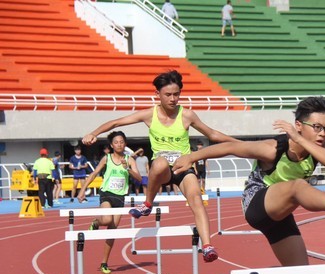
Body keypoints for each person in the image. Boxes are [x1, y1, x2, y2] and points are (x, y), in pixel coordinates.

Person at [171, 96, 325, 274]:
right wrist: (192, 157)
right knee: (297, 187)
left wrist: (302, 140)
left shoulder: (322, 147)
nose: (323, 134)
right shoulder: (273, 148)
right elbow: (233, 147)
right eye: (317, 127)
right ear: (298, 126)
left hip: (281, 211)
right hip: (257, 204)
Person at [81, 70, 238, 262]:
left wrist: (240, 144)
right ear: (158, 95)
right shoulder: (149, 114)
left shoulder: (187, 115)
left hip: (182, 167)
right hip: (161, 170)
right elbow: (116, 122)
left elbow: (212, 134)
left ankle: (207, 246)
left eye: (177, 94)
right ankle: (148, 203)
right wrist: (93, 133)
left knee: (196, 197)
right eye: (168, 95)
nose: (173, 99)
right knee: (161, 162)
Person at [77, 131, 142, 274]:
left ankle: (104, 263)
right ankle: (96, 222)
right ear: (112, 145)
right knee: (106, 219)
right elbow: (94, 174)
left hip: (120, 197)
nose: (119, 144)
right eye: (116, 142)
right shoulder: (107, 158)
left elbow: (139, 178)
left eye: (121, 142)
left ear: (125, 144)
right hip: (106, 194)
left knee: (112, 231)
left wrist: (128, 169)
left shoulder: (130, 160)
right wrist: (82, 190)